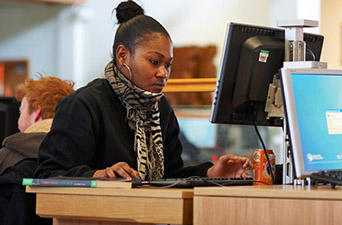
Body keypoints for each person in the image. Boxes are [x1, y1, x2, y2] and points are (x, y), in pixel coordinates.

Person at [35, 0, 250, 181]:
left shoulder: (160, 108)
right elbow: (48, 174)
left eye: (167, 64)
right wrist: (100, 175)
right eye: (154, 61)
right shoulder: (84, 104)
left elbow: (170, 176)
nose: (163, 73)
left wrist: (210, 172)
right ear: (122, 56)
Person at [0, 76, 74, 225]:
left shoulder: (7, 157)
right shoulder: (81, 156)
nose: (18, 121)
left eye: (21, 112)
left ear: (37, 113)